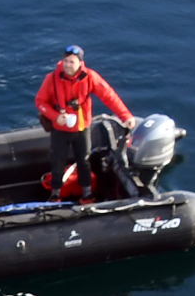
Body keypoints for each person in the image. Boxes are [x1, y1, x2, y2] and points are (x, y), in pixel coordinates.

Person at [35, 45, 133, 201]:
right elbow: (40, 102)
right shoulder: (51, 79)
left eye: (72, 62)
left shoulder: (90, 77)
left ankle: (87, 194)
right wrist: (55, 116)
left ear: (80, 63)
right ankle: (55, 194)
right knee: (57, 162)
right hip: (60, 129)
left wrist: (125, 116)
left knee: (84, 162)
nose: (67, 65)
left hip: (82, 128)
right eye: (65, 61)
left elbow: (108, 96)